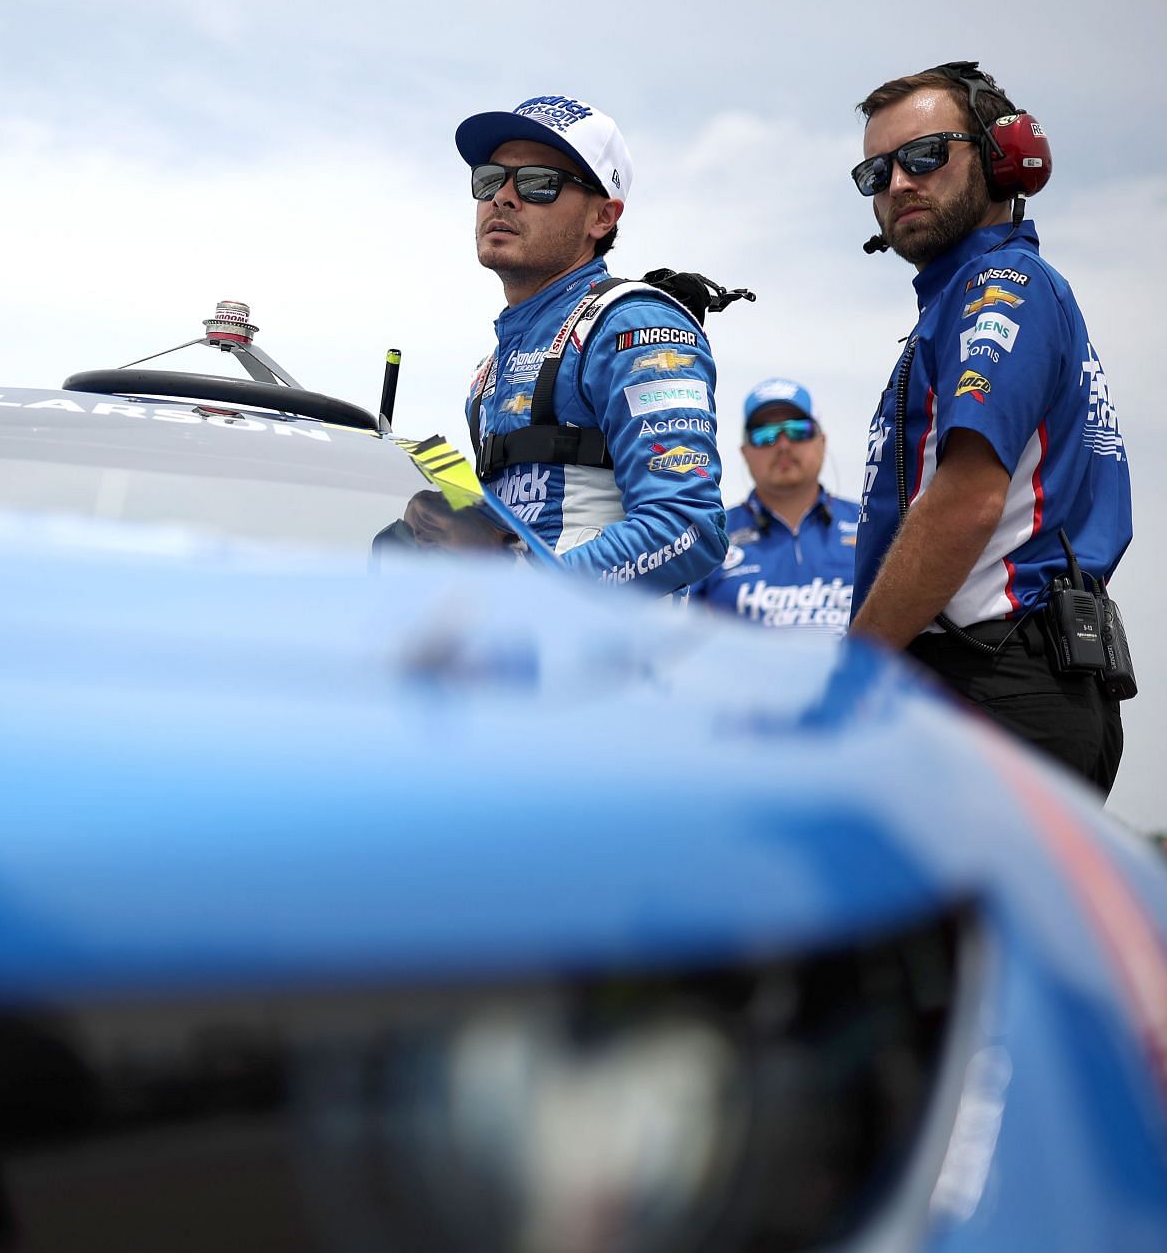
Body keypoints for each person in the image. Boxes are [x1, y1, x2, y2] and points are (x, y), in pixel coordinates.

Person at [849, 61, 1132, 796]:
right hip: (1006, 684)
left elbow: (968, 499)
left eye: (925, 155)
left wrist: (853, 673)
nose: (898, 184)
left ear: (1006, 157)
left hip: (991, 682)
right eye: (875, 172)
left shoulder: (999, 285)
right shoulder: (970, 303)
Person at [455, 95, 727, 593]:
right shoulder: (487, 372)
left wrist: (530, 596)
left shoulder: (632, 327)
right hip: (510, 660)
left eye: (539, 184)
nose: (503, 198)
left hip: (608, 662)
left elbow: (688, 527)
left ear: (602, 217)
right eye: (491, 179)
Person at [690, 380, 858, 633]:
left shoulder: (869, 527)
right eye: (765, 435)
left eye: (798, 430)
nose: (782, 445)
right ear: (745, 452)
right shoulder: (708, 537)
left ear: (822, 442)